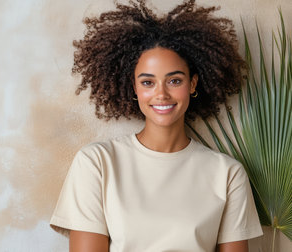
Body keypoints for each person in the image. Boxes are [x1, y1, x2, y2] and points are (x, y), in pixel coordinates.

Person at [50, 0, 263, 251]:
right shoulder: (97, 163)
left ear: (193, 84)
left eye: (174, 80)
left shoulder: (227, 174)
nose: (161, 94)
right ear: (134, 87)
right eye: (148, 82)